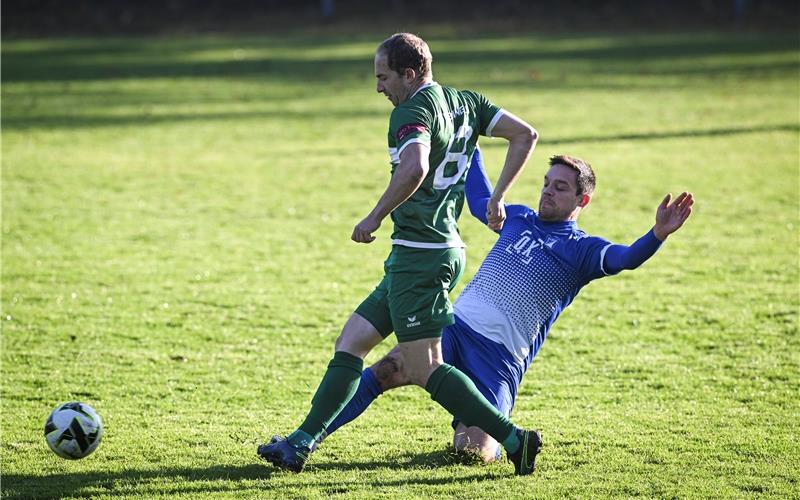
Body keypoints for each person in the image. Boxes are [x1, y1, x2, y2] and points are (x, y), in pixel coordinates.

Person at [258, 33, 542, 474]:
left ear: (409, 74)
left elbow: (415, 167)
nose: (378, 87)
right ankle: (299, 443)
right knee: (351, 343)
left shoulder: (412, 111)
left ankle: (514, 439)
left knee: (424, 366)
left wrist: (373, 216)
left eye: (383, 76)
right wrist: (497, 196)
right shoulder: (467, 102)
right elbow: (525, 135)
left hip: (422, 255)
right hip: (421, 251)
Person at [316, 148, 694, 463]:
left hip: (498, 361)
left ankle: (480, 432)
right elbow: (481, 200)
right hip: (455, 330)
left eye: (560, 188)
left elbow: (625, 258)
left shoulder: (583, 250)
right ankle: (306, 437)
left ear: (583, 200)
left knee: (472, 452)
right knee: (387, 369)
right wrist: (470, 146)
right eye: (546, 184)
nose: (547, 192)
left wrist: (657, 234)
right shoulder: (517, 218)